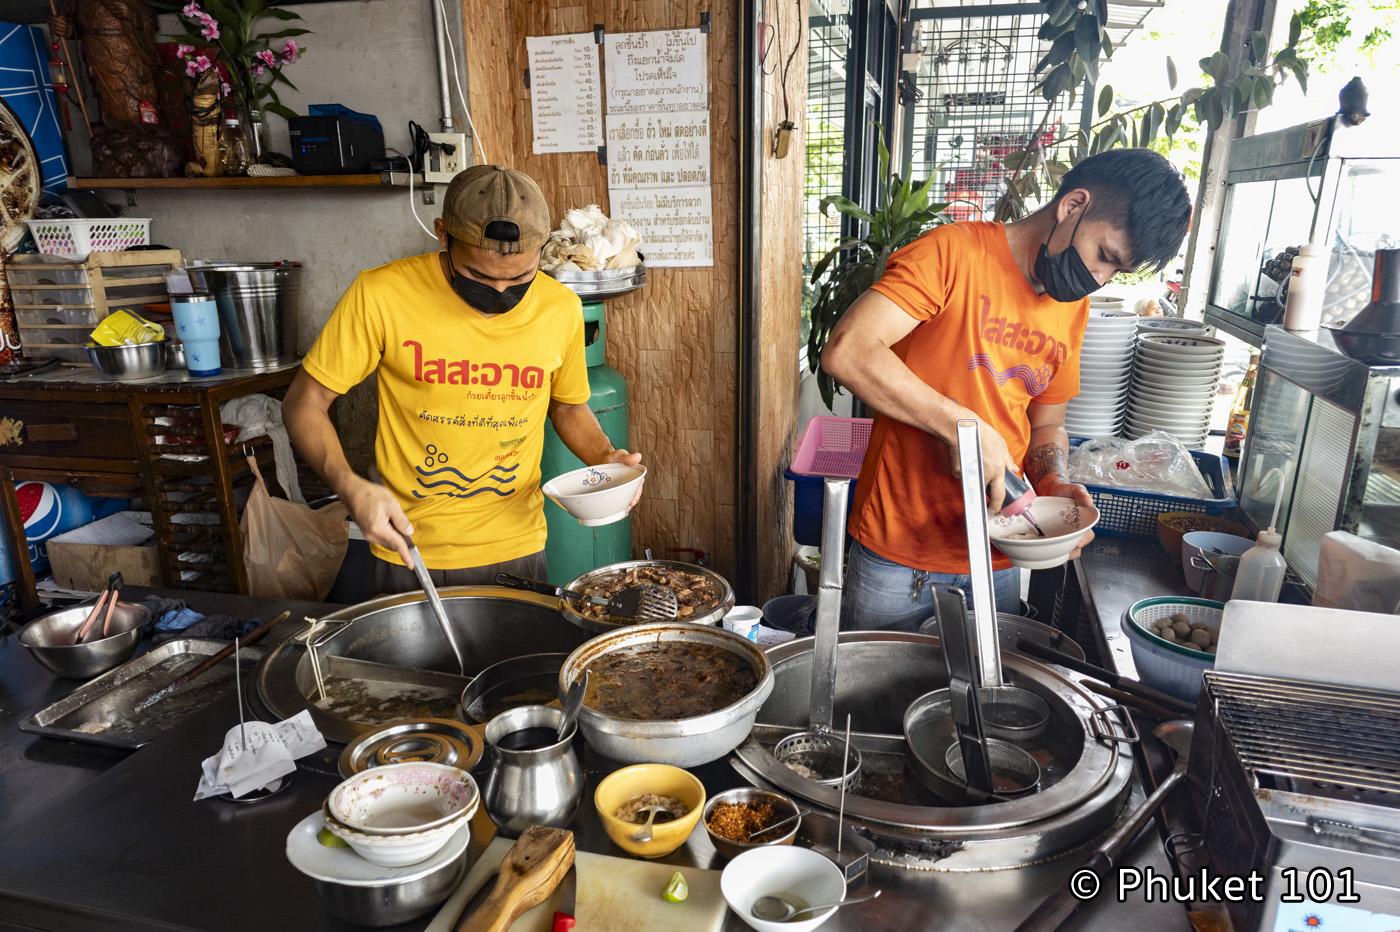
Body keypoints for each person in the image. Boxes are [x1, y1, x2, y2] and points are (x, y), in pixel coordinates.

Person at [822, 148, 1191, 630]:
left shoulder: (1070, 308)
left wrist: (1053, 482)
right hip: (898, 554)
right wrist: (963, 425)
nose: (1098, 280)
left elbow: (1047, 424)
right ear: (1073, 205)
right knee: (878, 702)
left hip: (998, 554)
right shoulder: (952, 253)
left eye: (1116, 271)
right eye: (1104, 256)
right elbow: (848, 351)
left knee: (986, 704)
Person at [284, 165, 642, 595]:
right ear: (442, 234)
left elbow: (566, 405)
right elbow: (305, 401)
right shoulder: (381, 295)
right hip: (407, 548)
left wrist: (606, 459)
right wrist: (350, 487)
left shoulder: (560, 309)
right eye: (479, 276)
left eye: (519, 279)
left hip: (518, 545)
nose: (499, 293)